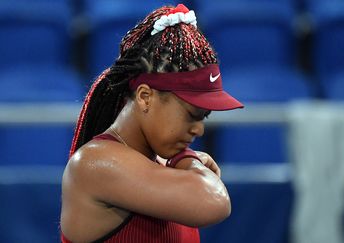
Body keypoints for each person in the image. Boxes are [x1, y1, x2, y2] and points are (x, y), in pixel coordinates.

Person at [60, 3, 243, 243]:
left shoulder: (158, 168)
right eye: (191, 114)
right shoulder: (96, 163)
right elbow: (214, 201)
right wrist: (187, 160)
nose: (199, 129)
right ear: (146, 97)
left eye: (204, 117)